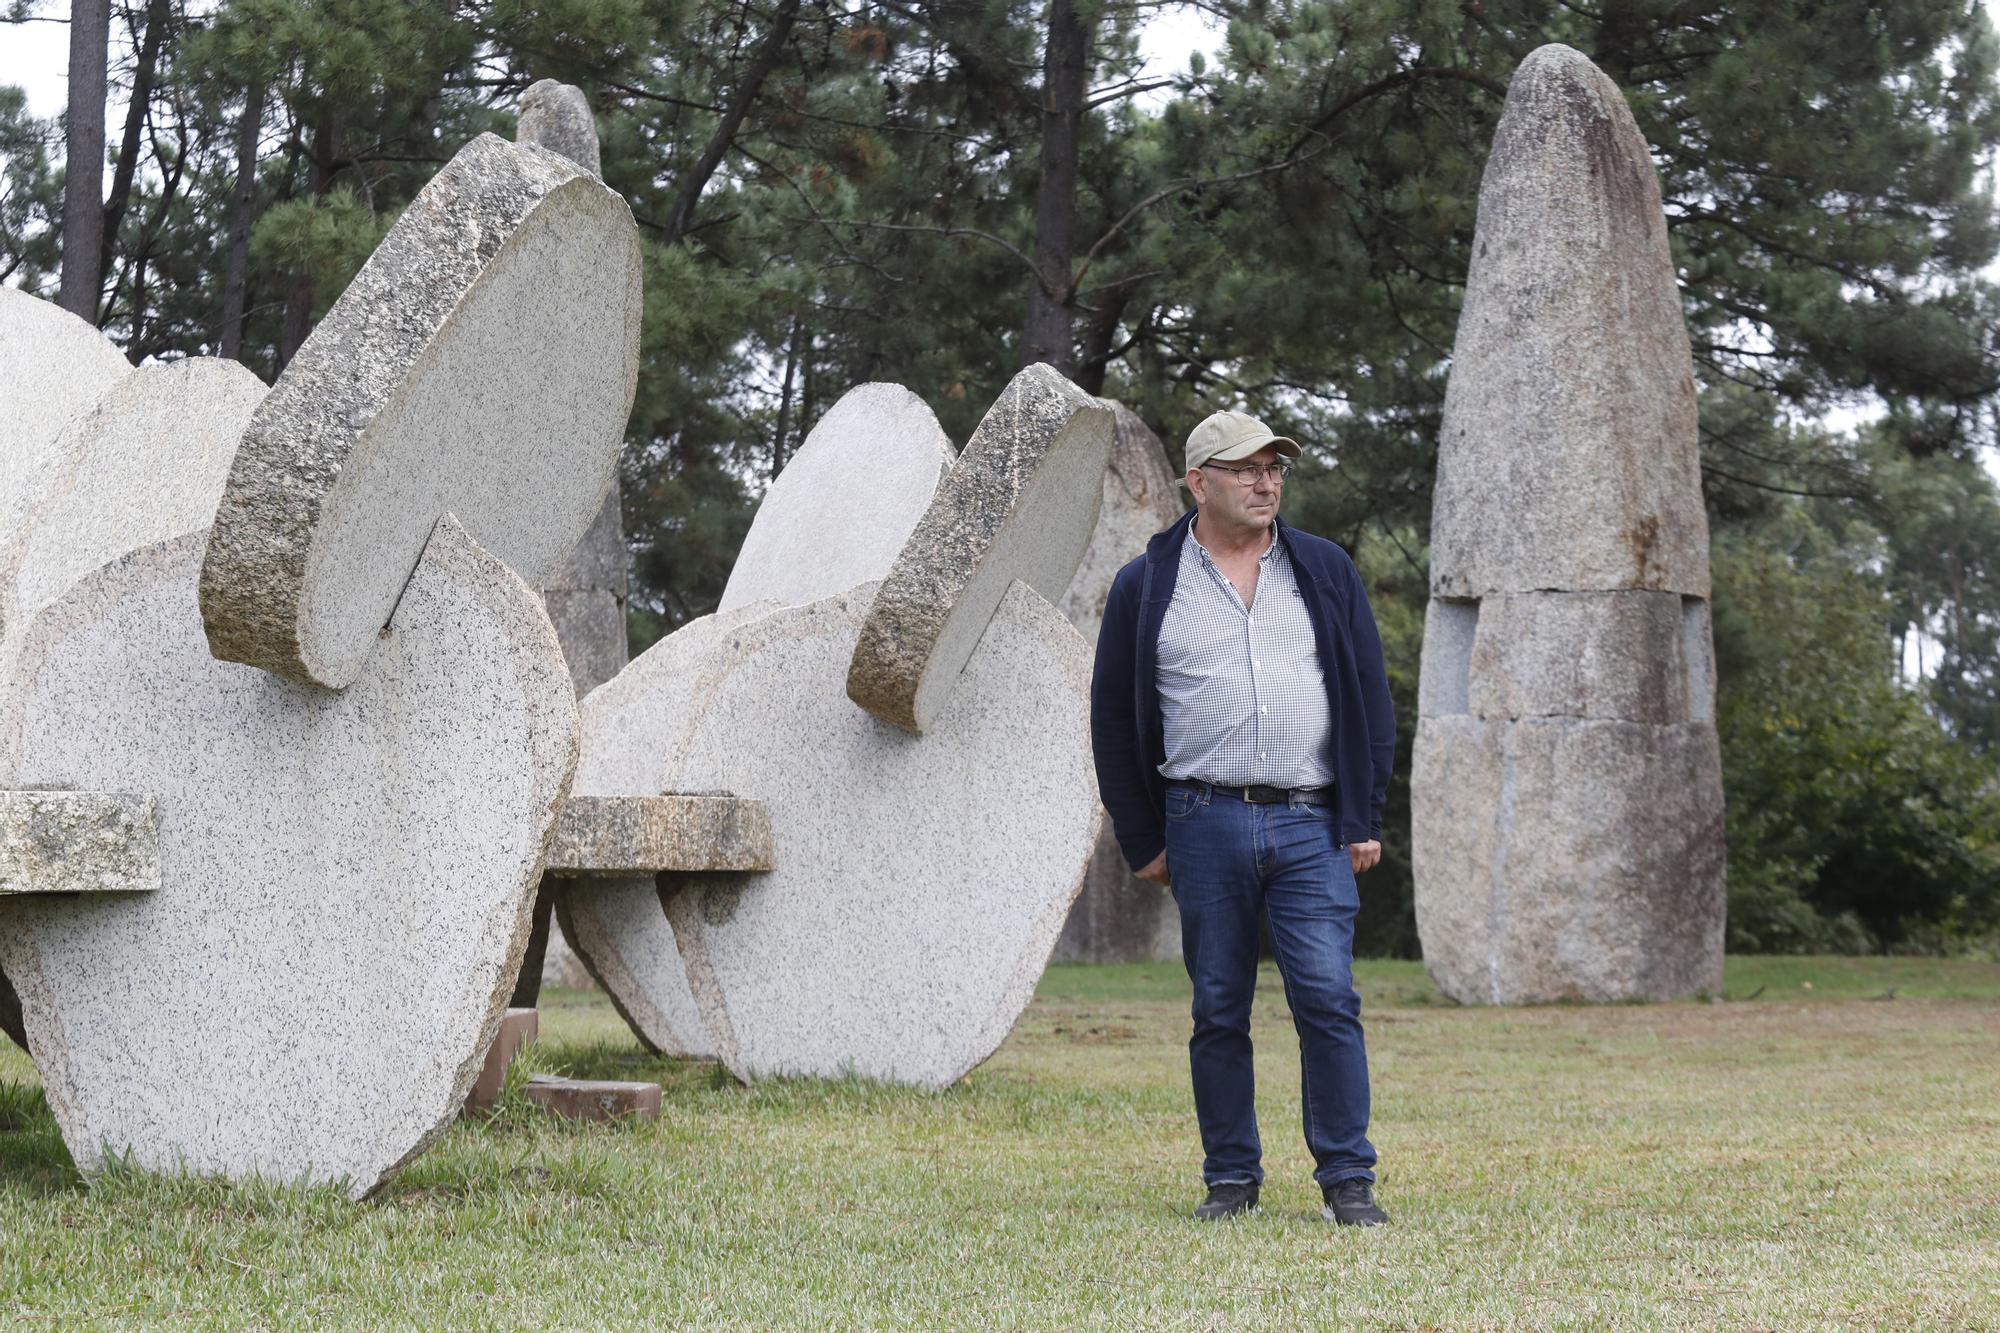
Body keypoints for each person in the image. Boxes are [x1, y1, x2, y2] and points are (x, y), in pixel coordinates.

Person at [1089, 408, 1395, 1227]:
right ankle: (1230, 1178)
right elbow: (1113, 719)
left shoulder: (1324, 570)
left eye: (1275, 467)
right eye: (1245, 468)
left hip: (1311, 821)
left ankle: (1347, 1180)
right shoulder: (1146, 584)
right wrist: (1142, 834)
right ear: (1199, 482)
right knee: (1218, 1005)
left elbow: (1369, 696)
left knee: (1328, 997)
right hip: (1202, 819)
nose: (1266, 482)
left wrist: (1363, 813)